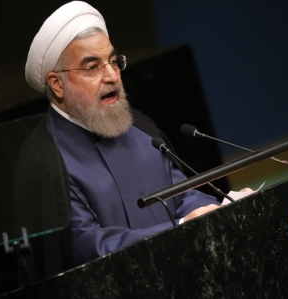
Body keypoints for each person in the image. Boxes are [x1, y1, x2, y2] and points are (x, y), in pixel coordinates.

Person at [25, 1, 220, 265]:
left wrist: (208, 210)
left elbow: (183, 193)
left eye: (113, 62)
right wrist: (182, 227)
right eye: (92, 67)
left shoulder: (138, 126)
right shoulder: (44, 161)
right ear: (57, 84)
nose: (111, 76)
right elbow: (86, 246)